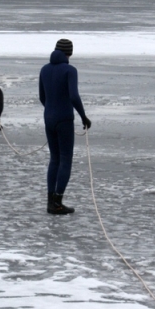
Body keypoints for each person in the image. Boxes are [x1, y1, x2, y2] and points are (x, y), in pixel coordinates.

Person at [39, 39, 91, 215]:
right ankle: (58, 202)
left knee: (54, 158)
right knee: (65, 159)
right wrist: (83, 116)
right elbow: (74, 97)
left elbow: (42, 97)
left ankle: (50, 201)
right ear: (70, 53)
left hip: (49, 118)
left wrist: (51, 110)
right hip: (64, 119)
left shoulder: (44, 69)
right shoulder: (70, 70)